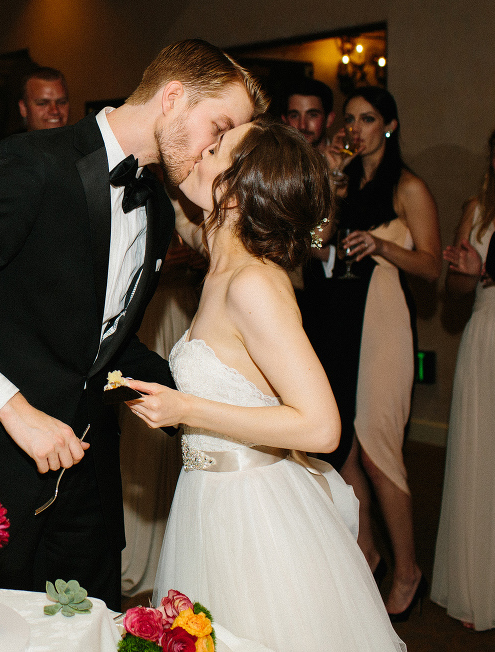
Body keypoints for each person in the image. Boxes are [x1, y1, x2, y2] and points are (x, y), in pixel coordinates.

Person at [0, 39, 266, 610]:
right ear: (173, 98)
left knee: (86, 629)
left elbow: (103, 345)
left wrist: (215, 412)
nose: (217, 150)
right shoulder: (31, 165)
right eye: (218, 128)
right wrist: (15, 412)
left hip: (89, 483)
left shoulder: (160, 208)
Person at [126, 119, 404, 651]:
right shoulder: (220, 272)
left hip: (252, 515)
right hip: (208, 501)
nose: (198, 154)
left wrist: (188, 408)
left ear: (235, 189)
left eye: (212, 150)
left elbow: (322, 427)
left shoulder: (252, 283)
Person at [302, 86, 441, 620]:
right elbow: (317, 246)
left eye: (368, 119)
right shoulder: (344, 180)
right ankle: (368, 549)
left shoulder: (408, 187)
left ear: (391, 125)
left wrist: (384, 246)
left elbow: (432, 267)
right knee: (346, 451)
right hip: (338, 320)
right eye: (350, 120)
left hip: (382, 320)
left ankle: (408, 571)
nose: (356, 129)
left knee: (381, 449)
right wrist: (332, 185)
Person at [431, 123, 495, 632]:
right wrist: (467, 271)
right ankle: (480, 587)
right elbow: (456, 289)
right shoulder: (477, 210)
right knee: (482, 455)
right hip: (486, 332)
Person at [280, 77, 335, 150]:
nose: (302, 126)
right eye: (294, 116)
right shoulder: (272, 160)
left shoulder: (346, 160)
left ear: (329, 119)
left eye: (312, 115)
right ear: (284, 120)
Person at [18, 66, 70, 132]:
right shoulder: (9, 142)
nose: (55, 111)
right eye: (42, 104)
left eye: (61, 102)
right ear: (23, 108)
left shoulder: (83, 140)